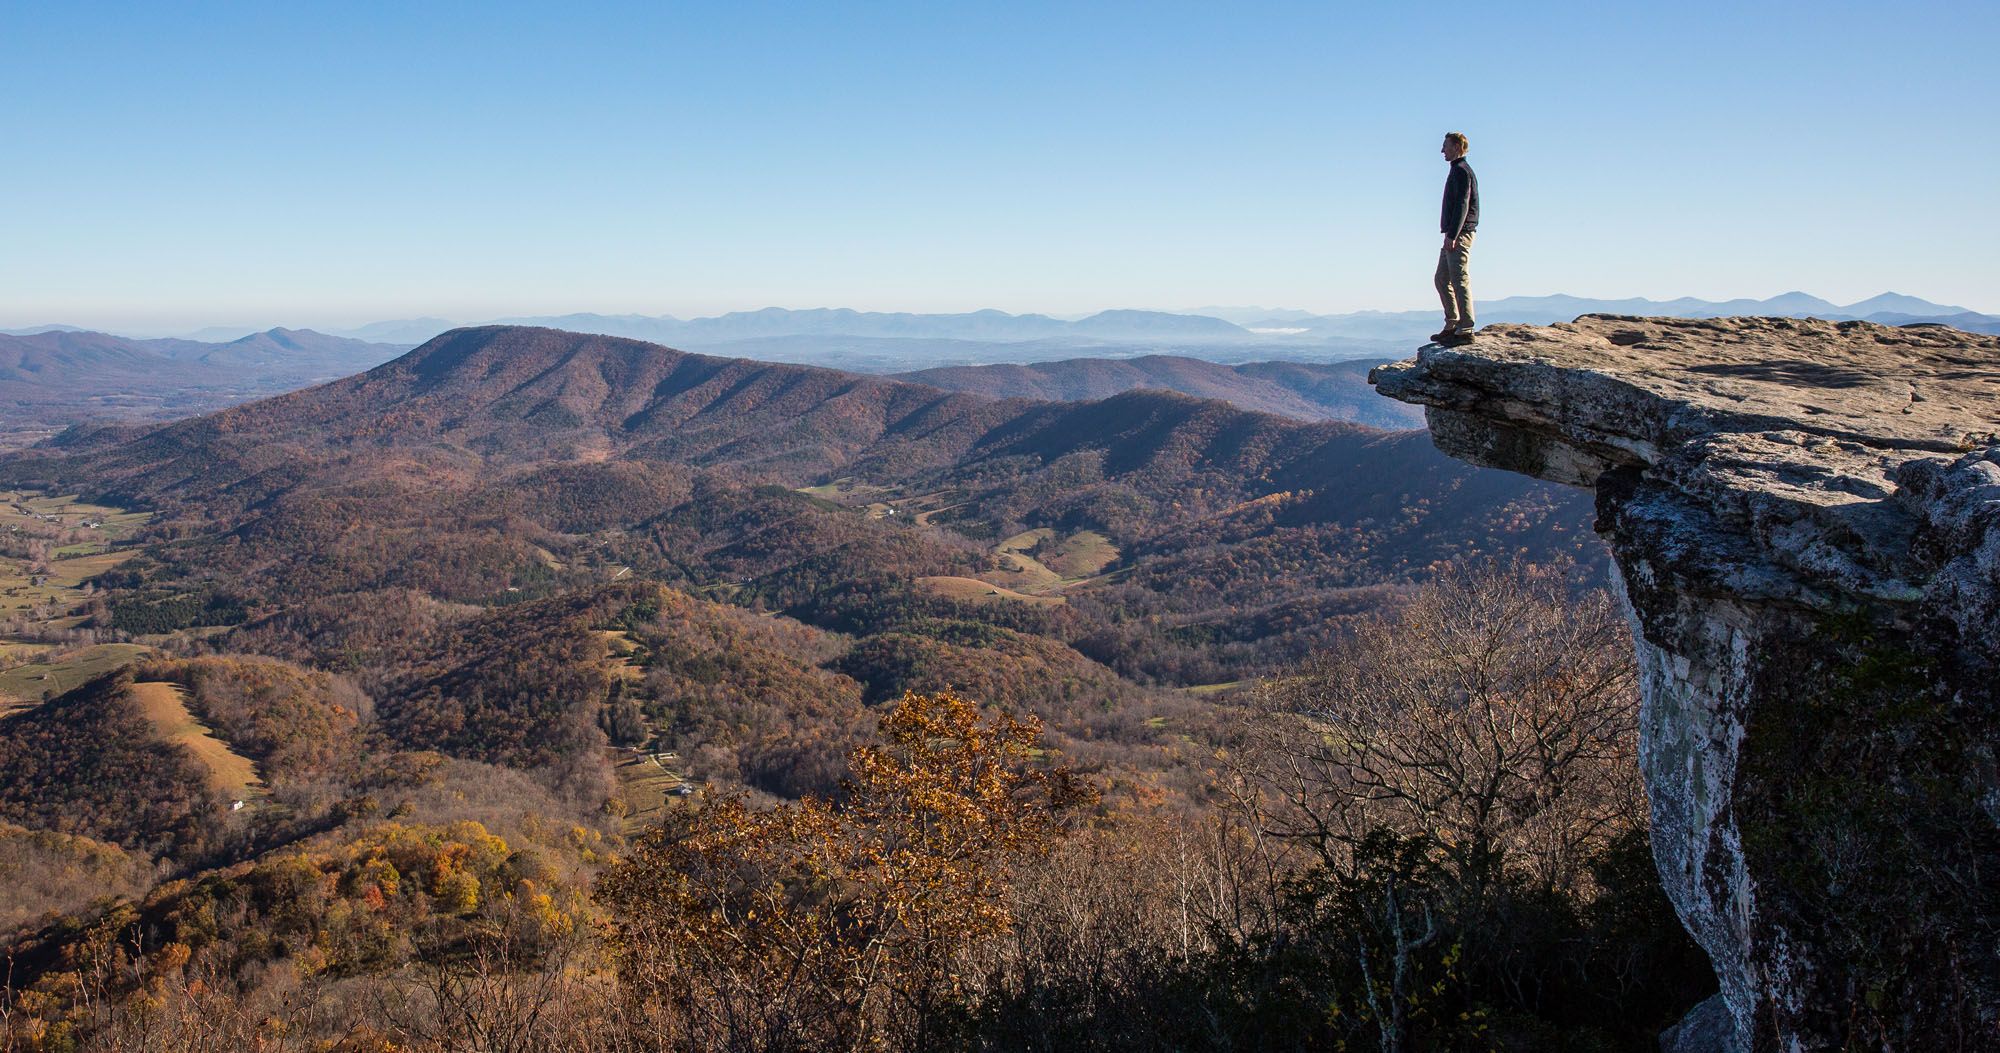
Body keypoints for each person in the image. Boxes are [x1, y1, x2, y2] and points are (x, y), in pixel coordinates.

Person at [1432, 131, 1480, 344]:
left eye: (1446, 146)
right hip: (1453, 234)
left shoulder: (1461, 171)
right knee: (1442, 278)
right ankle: (1453, 323)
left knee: (1459, 279)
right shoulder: (1457, 171)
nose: (1442, 150)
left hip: (1459, 234)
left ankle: (1466, 328)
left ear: (1458, 147)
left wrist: (1453, 234)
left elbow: (1462, 204)